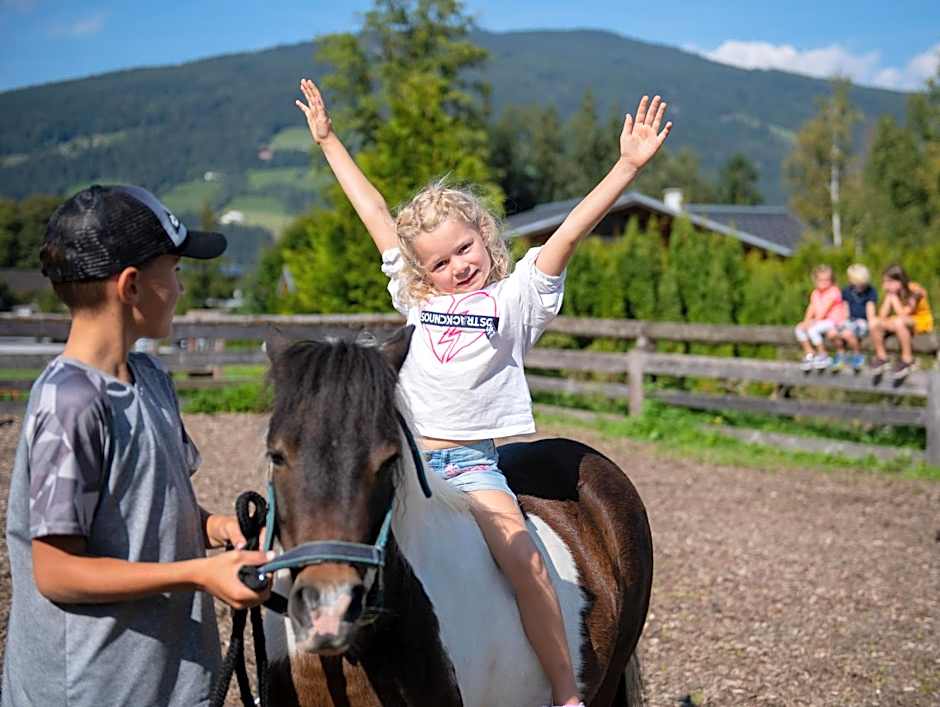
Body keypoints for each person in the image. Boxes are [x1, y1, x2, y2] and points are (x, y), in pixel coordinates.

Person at [295, 77, 671, 707]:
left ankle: (565, 691)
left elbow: (569, 234)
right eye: (439, 263)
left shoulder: (516, 298)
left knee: (525, 563)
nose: (457, 267)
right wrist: (330, 141)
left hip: (470, 466)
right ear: (422, 273)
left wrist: (625, 167)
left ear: (485, 234)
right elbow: (375, 215)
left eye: (464, 249)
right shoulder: (418, 299)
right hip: (407, 464)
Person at [2, 185, 272, 707]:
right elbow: (57, 572)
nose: (181, 287)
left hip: (162, 679)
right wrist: (199, 573)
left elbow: (148, 507)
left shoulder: (148, 376)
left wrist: (217, 527)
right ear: (130, 287)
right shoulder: (70, 403)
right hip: (91, 686)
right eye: (173, 270)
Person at [869, 264, 934, 380]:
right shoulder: (893, 293)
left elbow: (904, 314)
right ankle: (881, 356)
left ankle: (907, 359)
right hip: (901, 321)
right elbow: (882, 315)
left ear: (899, 281)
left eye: (888, 282)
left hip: (920, 322)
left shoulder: (915, 290)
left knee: (899, 322)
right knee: (874, 323)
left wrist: (893, 299)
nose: (885, 286)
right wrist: (889, 298)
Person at [794, 264, 845, 371]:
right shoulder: (815, 293)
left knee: (813, 329)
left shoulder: (834, 291)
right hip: (820, 321)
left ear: (832, 280)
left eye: (827, 280)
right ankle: (810, 353)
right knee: (799, 329)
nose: (824, 282)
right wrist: (806, 321)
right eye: (820, 280)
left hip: (833, 321)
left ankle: (823, 355)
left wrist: (812, 323)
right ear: (815, 280)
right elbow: (811, 307)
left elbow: (824, 310)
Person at [829, 263, 878, 372]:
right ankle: (840, 354)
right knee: (832, 332)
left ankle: (858, 355)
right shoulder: (847, 291)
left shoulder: (870, 291)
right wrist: (842, 323)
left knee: (847, 333)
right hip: (850, 321)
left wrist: (872, 326)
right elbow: (845, 310)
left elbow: (871, 312)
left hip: (863, 322)